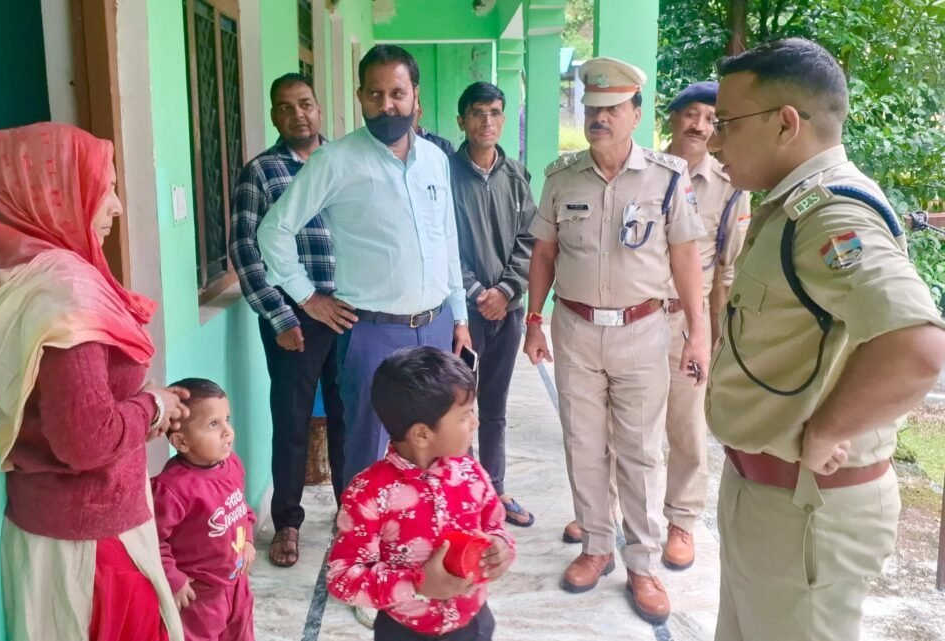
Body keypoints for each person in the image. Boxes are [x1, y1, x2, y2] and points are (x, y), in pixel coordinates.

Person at [706, 38, 945, 641]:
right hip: (768, 497)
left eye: (727, 123)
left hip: (806, 509)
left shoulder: (831, 216)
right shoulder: (792, 206)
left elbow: (918, 346)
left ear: (786, 123)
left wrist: (829, 431)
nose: (713, 142)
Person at [0, 122, 188, 640]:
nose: (116, 206)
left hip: (73, 526)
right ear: (52, 194)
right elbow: (87, 439)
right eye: (104, 188)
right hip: (91, 546)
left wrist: (139, 414)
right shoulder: (64, 294)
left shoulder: (26, 274)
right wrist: (153, 406)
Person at [523, 57, 707, 624]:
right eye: (591, 108)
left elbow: (685, 258)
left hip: (643, 330)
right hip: (575, 329)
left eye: (610, 108)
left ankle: (643, 565)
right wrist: (534, 320)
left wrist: (698, 332)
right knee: (582, 443)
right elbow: (544, 253)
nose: (598, 117)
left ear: (635, 114)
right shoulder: (562, 178)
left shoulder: (667, 177)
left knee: (641, 452)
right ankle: (596, 546)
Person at [257, 44, 472, 496]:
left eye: (397, 93)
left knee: (441, 448)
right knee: (368, 454)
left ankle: (431, 535)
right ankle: (364, 536)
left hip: (436, 327)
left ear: (415, 94)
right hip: (373, 333)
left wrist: (460, 316)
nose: (386, 105)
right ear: (360, 96)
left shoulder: (435, 159)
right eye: (375, 94)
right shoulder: (335, 161)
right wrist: (307, 297)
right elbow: (274, 230)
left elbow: (447, 240)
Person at [230, 72, 344, 568]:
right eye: (285, 106)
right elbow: (245, 250)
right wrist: (280, 315)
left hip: (349, 312)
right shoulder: (261, 172)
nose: (298, 113)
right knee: (293, 420)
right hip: (294, 315)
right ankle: (288, 522)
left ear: (319, 108)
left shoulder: (342, 162)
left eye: (305, 103)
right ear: (275, 116)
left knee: (348, 416)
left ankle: (351, 513)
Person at [326, 347, 516, 641]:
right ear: (422, 434)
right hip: (402, 631)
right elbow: (342, 578)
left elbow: (495, 526)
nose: (475, 422)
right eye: (464, 416)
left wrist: (501, 548)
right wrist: (418, 584)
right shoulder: (371, 494)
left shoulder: (471, 474)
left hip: (472, 624)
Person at [659, 80, 750, 570]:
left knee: (687, 427)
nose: (699, 125)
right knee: (622, 422)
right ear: (673, 118)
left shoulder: (729, 187)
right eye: (692, 114)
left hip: (685, 322)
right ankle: (605, 510)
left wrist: (712, 336)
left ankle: (681, 521)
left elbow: (727, 271)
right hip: (634, 317)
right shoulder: (643, 170)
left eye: (711, 119)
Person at [449, 81, 537, 527]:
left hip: (508, 311)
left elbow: (531, 239)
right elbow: (442, 242)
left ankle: (496, 490)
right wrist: (476, 292)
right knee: (458, 404)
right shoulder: (444, 174)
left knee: (496, 405)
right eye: (478, 112)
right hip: (463, 314)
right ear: (462, 120)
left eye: (495, 112)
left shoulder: (517, 176)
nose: (487, 121)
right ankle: (464, 495)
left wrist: (506, 291)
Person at [152, 378, 256, 641]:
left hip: (237, 584)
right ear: (182, 442)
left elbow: (242, 509)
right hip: (199, 596)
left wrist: (248, 540)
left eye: (227, 420)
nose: (227, 431)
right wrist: (173, 579)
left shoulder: (232, 464)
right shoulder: (171, 488)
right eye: (213, 424)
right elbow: (153, 539)